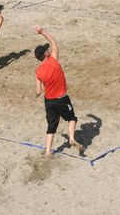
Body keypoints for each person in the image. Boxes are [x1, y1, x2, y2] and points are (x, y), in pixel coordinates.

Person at [33, 25, 84, 158]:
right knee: (72, 118)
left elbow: (38, 91)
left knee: (51, 126)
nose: (48, 49)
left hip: (48, 101)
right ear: (46, 54)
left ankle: (48, 151)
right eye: (46, 49)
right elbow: (54, 42)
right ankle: (72, 138)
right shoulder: (54, 61)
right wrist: (42, 31)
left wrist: (37, 92)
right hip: (61, 99)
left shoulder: (38, 71)